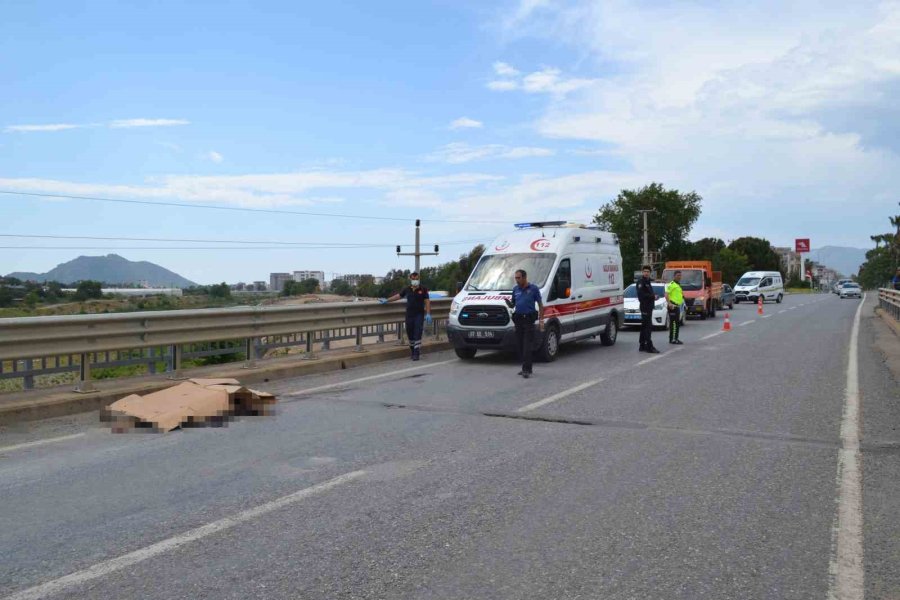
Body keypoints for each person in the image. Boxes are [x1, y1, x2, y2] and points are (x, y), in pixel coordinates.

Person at [380, 272, 432, 360]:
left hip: (419, 314)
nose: (415, 280)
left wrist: (428, 313)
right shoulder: (407, 289)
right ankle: (412, 350)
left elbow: (427, 301)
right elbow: (398, 296)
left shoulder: (423, 289)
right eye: (413, 279)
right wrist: (387, 300)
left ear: (419, 279)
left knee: (417, 332)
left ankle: (416, 352)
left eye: (416, 279)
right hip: (409, 315)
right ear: (410, 279)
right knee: (410, 332)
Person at [505, 269, 544, 378]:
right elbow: (513, 304)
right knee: (520, 345)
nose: (517, 280)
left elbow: (540, 305)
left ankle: (526, 369)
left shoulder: (533, 289)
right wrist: (509, 304)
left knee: (527, 345)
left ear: (524, 277)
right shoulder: (515, 289)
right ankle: (526, 368)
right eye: (516, 278)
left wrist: (541, 320)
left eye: (519, 278)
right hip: (518, 319)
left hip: (528, 320)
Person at [636, 265, 660, 353]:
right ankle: (649, 346)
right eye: (645, 271)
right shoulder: (641, 282)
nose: (646, 273)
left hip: (649, 307)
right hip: (645, 307)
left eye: (648, 272)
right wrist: (653, 296)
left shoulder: (648, 282)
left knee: (644, 326)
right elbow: (641, 295)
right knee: (648, 327)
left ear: (650, 273)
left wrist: (653, 297)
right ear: (642, 272)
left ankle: (642, 345)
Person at [665, 271, 684, 345]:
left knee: (677, 323)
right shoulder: (671, 284)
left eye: (680, 275)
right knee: (673, 323)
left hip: (677, 306)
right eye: (678, 275)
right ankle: (673, 339)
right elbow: (666, 295)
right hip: (672, 306)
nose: (679, 277)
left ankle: (675, 338)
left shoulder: (678, 285)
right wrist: (669, 304)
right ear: (674, 276)